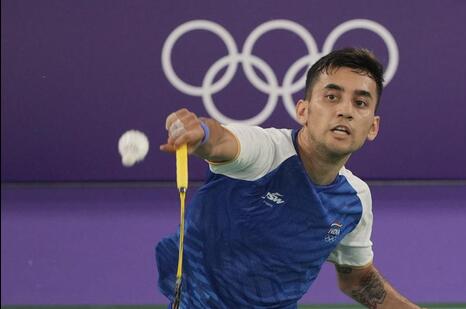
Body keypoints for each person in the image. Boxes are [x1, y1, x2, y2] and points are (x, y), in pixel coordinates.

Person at [156, 48, 422, 308]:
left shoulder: (355, 200)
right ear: (303, 111)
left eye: (360, 103)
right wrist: (200, 132)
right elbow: (221, 140)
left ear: (372, 127)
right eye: (331, 97)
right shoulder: (266, 152)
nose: (345, 111)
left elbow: (358, 280)